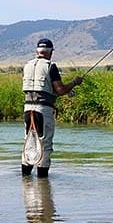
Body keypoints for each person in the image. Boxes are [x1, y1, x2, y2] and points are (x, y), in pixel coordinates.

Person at [21, 38, 83, 177]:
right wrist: (74, 83)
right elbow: (60, 90)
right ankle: (43, 183)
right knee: (45, 144)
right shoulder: (51, 66)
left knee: (30, 142)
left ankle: (25, 179)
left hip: (27, 109)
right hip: (43, 110)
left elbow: (39, 89)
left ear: (37, 51)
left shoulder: (28, 66)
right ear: (50, 52)